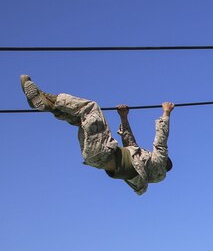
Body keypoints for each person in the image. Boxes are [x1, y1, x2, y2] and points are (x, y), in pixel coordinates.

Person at [20, 75, 174, 196]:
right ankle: (45, 102)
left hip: (104, 151)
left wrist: (166, 113)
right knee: (81, 119)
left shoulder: (158, 166)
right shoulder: (140, 168)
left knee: (90, 108)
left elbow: (161, 144)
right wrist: (124, 118)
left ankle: (47, 100)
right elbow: (131, 145)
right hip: (94, 157)